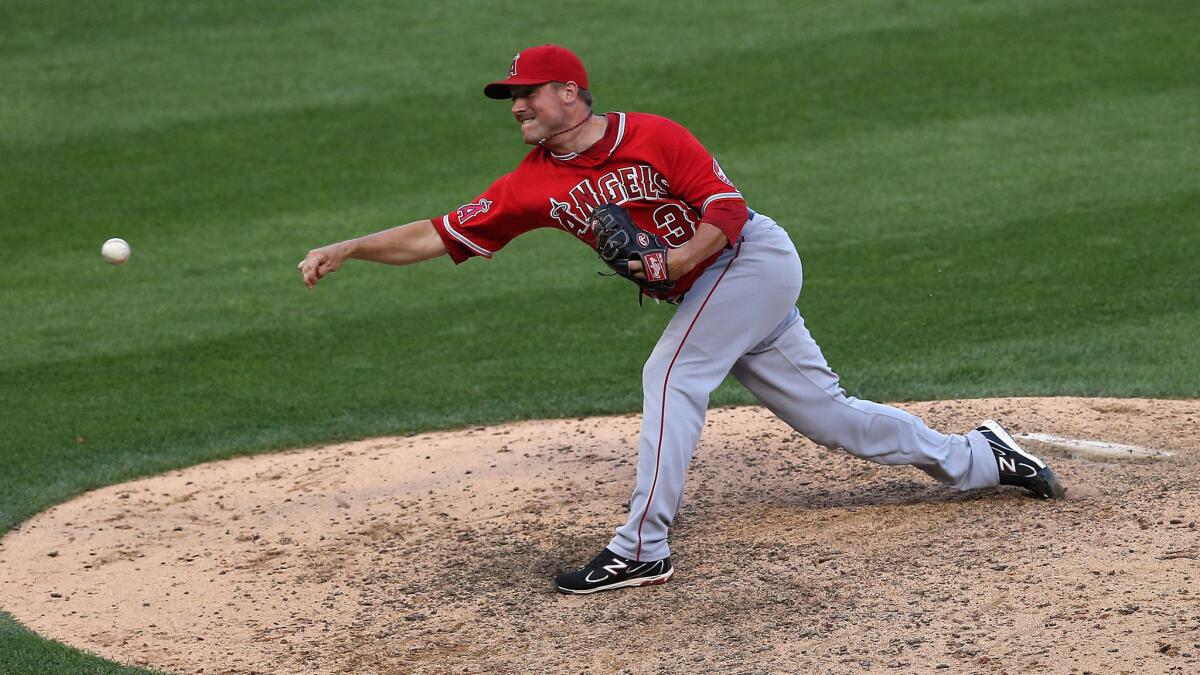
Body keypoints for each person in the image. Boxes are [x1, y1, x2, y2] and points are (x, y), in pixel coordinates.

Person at [297, 44, 1065, 596]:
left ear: (571, 92)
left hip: (750, 260)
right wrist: (351, 247)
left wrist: (672, 262)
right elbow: (437, 231)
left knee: (671, 370)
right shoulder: (529, 186)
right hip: (714, 291)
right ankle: (983, 456)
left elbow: (727, 210)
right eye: (511, 97)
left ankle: (642, 546)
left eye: (528, 92)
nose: (519, 105)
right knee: (836, 420)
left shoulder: (654, 134)